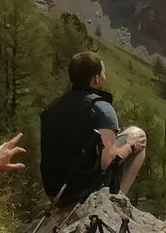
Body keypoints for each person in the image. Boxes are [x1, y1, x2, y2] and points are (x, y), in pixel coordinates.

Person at [39, 51, 147, 205]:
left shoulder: (52, 108)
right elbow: (107, 162)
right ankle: (114, 203)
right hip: (83, 194)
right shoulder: (101, 108)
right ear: (95, 79)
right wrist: (130, 146)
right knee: (137, 134)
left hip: (55, 192)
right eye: (103, 72)